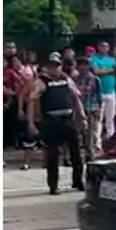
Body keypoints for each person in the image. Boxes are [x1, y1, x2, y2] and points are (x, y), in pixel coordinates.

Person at [26, 53, 85, 195]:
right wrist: (31, 122)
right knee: (53, 156)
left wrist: (82, 116)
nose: (55, 69)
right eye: (52, 66)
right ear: (47, 68)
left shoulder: (66, 79)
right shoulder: (41, 82)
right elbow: (31, 101)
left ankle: (78, 180)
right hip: (52, 122)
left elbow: (76, 97)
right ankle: (53, 185)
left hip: (68, 120)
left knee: (76, 153)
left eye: (57, 65)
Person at [90, 41, 116, 154]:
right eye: (102, 46)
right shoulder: (94, 59)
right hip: (99, 92)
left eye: (106, 46)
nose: (104, 48)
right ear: (98, 47)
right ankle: (97, 143)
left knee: (110, 118)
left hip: (111, 90)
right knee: (99, 119)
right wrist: (110, 71)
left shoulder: (112, 60)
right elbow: (96, 71)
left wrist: (107, 71)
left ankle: (111, 141)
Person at [72, 57, 101, 160]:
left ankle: (90, 154)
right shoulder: (74, 78)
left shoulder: (94, 79)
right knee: (78, 132)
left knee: (90, 133)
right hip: (78, 108)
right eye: (80, 65)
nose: (82, 67)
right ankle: (78, 154)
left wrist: (98, 110)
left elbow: (98, 96)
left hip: (91, 108)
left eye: (85, 65)